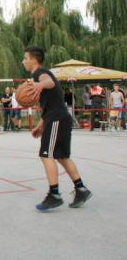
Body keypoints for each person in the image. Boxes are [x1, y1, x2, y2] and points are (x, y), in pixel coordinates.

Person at [23, 46, 92, 211]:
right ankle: (81, 189)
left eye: (25, 58)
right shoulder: (39, 75)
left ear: (34, 60)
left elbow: (49, 82)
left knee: (46, 155)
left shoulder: (40, 73)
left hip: (57, 120)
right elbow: (52, 104)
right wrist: (40, 124)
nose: (23, 61)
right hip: (59, 118)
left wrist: (40, 85)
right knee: (62, 156)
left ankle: (54, 194)